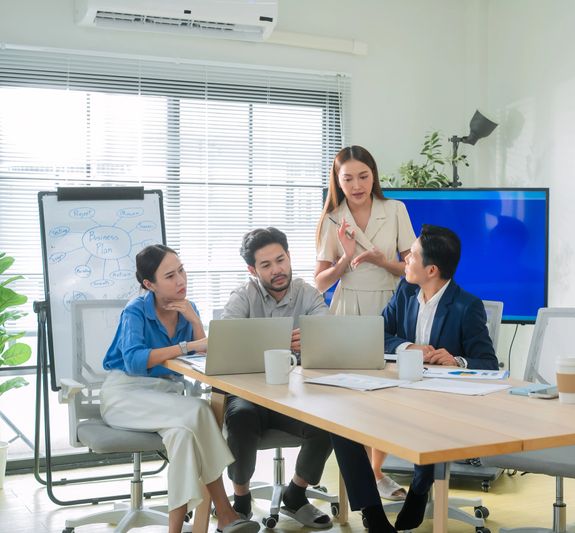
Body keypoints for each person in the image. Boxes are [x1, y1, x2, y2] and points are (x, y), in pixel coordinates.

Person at [330, 225, 498, 533]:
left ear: (431, 269)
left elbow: (488, 363)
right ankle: (371, 510)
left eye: (412, 256)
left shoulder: (466, 306)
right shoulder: (406, 293)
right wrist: (408, 347)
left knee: (429, 423)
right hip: (398, 395)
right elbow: (377, 332)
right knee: (341, 424)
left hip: (444, 405)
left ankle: (420, 491)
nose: (405, 260)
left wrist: (456, 360)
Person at [101, 245, 259, 533]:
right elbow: (135, 361)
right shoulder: (135, 311)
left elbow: (203, 359)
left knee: (184, 439)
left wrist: (196, 323)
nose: (181, 280)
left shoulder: (188, 309)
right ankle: (224, 512)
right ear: (149, 284)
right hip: (126, 396)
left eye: (182, 270)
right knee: (200, 410)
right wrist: (187, 346)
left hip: (168, 399)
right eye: (170, 275)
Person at [314, 145, 416, 500]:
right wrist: (346, 258)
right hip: (349, 307)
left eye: (363, 176)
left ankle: (374, 472)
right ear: (338, 182)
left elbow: (412, 271)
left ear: (374, 175)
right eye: (348, 178)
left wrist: (379, 260)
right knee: (354, 397)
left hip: (391, 303)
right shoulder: (332, 219)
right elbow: (322, 282)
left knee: (389, 395)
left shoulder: (396, 210)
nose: (357, 185)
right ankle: (364, 475)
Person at [222, 228, 333, 528]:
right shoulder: (244, 295)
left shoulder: (307, 293)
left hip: (293, 394)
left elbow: (328, 334)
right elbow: (226, 339)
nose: (277, 270)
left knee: (331, 422)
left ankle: (295, 494)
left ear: (289, 257)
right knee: (241, 417)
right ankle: (241, 498)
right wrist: (282, 342)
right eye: (266, 265)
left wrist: (311, 342)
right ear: (252, 269)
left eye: (280, 260)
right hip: (249, 394)